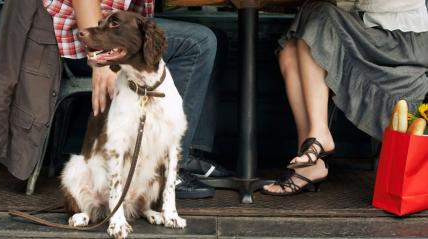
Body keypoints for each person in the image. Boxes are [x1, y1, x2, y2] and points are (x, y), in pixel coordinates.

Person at [43, 0, 233, 198]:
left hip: (118, 32)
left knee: (216, 38)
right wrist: (100, 59)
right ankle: (168, 170)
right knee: (200, 42)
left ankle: (188, 151)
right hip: (81, 38)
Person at [262, 0, 428, 195]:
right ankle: (309, 155)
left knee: (317, 14)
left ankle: (318, 137)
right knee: (290, 51)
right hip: (362, 26)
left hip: (401, 37)